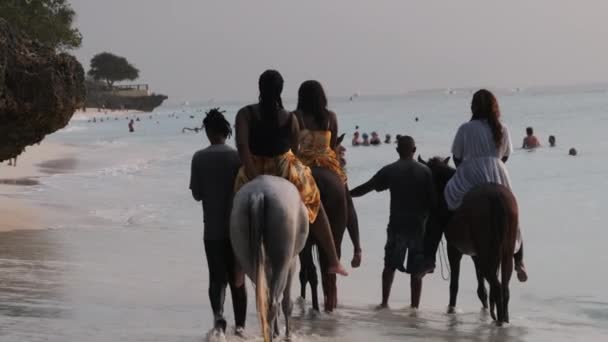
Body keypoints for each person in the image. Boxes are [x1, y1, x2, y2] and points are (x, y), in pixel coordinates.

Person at [234, 70, 348, 276]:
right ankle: (333, 260)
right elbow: (293, 151)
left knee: (232, 206)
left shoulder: (245, 114)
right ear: (281, 90)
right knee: (316, 202)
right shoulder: (289, 118)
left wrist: (253, 174)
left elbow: (242, 147)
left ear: (259, 88)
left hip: (253, 169)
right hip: (284, 169)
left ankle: (238, 266)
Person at [419, 89, 528, 282]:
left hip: (469, 172)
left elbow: (457, 157)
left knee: (439, 210)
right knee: (514, 213)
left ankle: (429, 259)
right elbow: (505, 156)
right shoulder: (503, 128)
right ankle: (519, 260)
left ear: (473, 107)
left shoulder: (465, 129)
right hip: (498, 172)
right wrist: (493, 166)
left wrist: (465, 170)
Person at [351, 136, 435, 309]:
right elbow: (433, 202)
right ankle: (414, 308)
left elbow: (367, 187)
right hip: (419, 227)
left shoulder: (390, 170)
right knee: (416, 271)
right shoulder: (426, 172)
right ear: (414, 150)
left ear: (397, 151)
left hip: (396, 226)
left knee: (389, 265)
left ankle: (384, 303)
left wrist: (347, 194)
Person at [189, 108, 247, 335]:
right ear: (226, 131)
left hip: (212, 230)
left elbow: (197, 194)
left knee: (216, 278)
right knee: (237, 280)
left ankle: (219, 318)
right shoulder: (237, 157)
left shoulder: (199, 157)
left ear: (208, 132)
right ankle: (240, 327)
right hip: (237, 231)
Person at [294, 80, 362, 267]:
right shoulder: (330, 116)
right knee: (347, 201)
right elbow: (332, 147)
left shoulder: (295, 116)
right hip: (328, 163)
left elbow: (292, 145)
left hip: (303, 165)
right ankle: (357, 248)